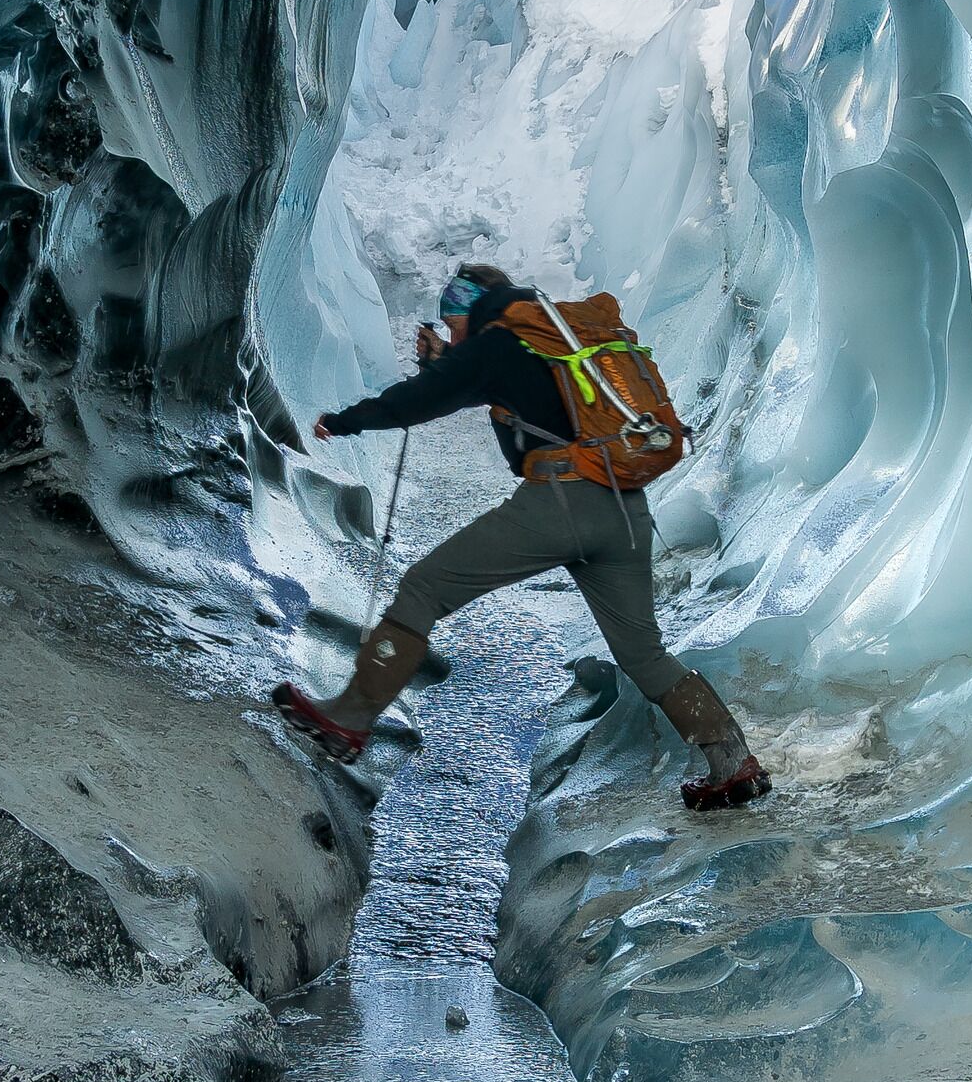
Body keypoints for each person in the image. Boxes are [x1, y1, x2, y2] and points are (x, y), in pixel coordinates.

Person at [275, 263, 771, 811]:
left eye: (452, 321)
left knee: (422, 588)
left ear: (470, 310)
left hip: (561, 501)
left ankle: (350, 718)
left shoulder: (496, 342)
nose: (452, 332)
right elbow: (492, 388)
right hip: (623, 507)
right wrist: (442, 362)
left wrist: (346, 421)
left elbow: (424, 400)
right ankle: (734, 762)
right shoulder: (549, 342)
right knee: (644, 653)